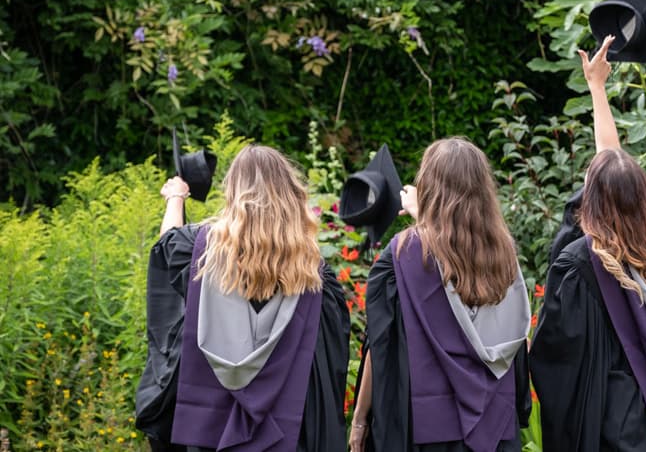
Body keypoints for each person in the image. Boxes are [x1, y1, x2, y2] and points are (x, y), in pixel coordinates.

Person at [529, 37, 646, 452]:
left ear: (589, 199)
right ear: (643, 198)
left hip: (611, 425)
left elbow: (555, 356)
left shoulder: (580, 263)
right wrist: (597, 89)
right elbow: (612, 169)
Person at [135, 144, 350, 452]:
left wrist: (175, 198)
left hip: (209, 430)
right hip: (286, 434)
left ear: (233, 193)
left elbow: (167, 245)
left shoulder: (200, 255)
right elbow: (329, 372)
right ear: (291, 194)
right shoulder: (316, 277)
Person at [349, 137, 532, 452]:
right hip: (495, 426)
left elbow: (379, 348)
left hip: (428, 428)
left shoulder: (403, 255)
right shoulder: (504, 255)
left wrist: (360, 421)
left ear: (428, 187)